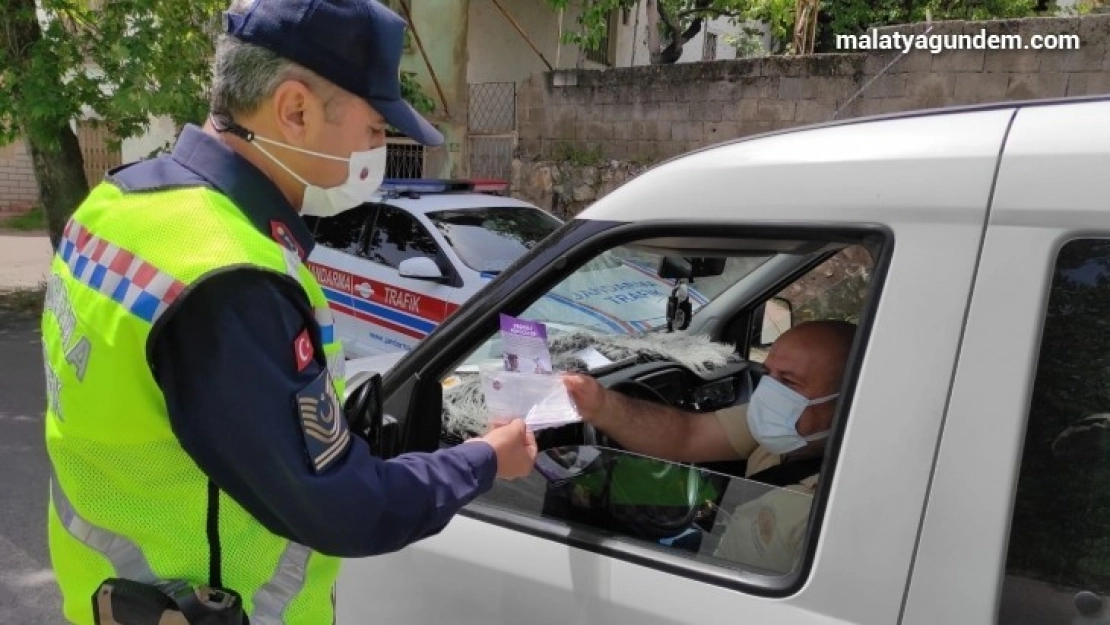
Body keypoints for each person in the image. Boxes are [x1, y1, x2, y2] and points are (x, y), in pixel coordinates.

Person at [41, 1, 536, 623]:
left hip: (109, 595)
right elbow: (344, 508)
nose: (381, 148)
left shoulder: (119, 202)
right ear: (295, 109)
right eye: (377, 128)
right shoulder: (229, 278)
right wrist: (486, 459)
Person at [562, 320, 855, 571]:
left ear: (847, 401)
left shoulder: (842, 516)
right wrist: (600, 405)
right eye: (768, 374)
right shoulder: (783, 431)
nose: (770, 392)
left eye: (789, 382)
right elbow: (687, 435)